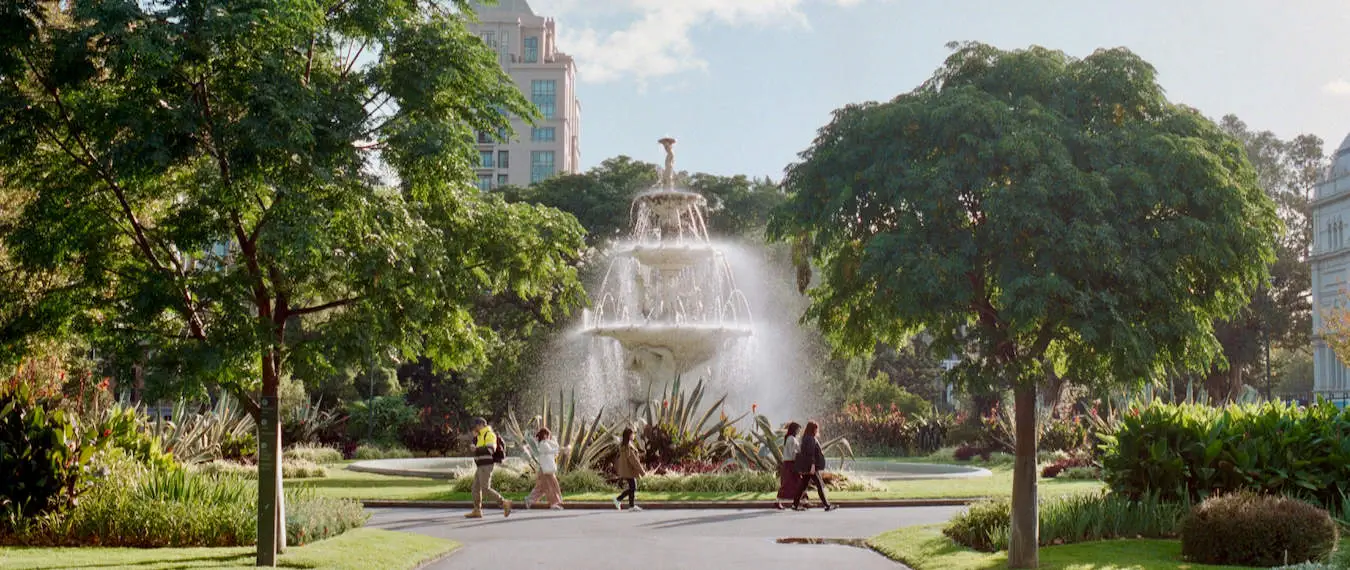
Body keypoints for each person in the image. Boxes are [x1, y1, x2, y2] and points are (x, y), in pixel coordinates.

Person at [467, 417, 512, 519]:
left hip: (486, 465)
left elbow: (491, 449)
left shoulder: (489, 434)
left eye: (476, 426)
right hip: (480, 465)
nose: (475, 428)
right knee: (475, 488)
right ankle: (477, 510)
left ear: (481, 425)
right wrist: (475, 444)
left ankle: (504, 502)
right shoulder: (480, 436)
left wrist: (476, 449)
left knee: (485, 489)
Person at [792, 421, 837, 512]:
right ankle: (827, 505)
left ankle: (795, 504)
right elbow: (810, 453)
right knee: (819, 485)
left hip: (808, 465)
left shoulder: (805, 438)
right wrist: (812, 465)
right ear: (813, 429)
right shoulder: (810, 439)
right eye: (816, 428)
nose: (817, 430)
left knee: (803, 485)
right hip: (811, 466)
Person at [525, 427, 569, 510]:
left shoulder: (546, 443)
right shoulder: (543, 444)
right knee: (550, 486)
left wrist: (555, 442)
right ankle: (553, 503)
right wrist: (563, 449)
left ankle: (529, 499)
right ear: (545, 435)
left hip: (545, 469)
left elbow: (555, 451)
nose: (550, 436)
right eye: (548, 435)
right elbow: (552, 451)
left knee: (541, 488)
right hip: (545, 470)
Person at [613, 427, 644, 512]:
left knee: (632, 487)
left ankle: (630, 505)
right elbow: (633, 460)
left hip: (627, 470)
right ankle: (620, 500)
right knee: (633, 487)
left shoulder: (625, 445)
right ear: (629, 435)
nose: (634, 435)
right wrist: (642, 472)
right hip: (629, 470)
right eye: (632, 433)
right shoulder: (627, 447)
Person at [775, 422, 802, 510]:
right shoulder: (792, 439)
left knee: (795, 483)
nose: (799, 431)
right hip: (791, 464)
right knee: (791, 483)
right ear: (794, 429)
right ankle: (799, 502)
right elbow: (793, 453)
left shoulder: (790, 438)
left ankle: (799, 502)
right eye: (798, 429)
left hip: (789, 463)